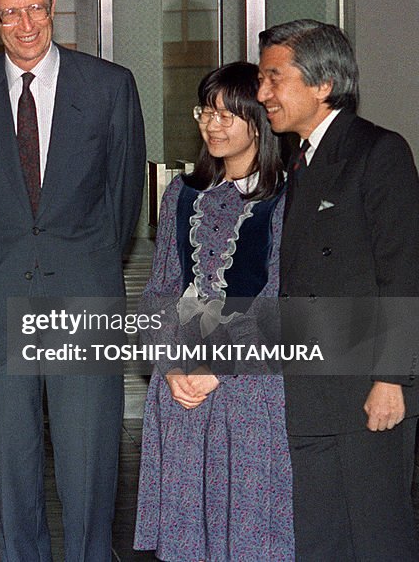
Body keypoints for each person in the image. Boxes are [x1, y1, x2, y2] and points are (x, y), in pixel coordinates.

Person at [0, 0, 145, 561]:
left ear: (54, 4)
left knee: (89, 475)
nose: (25, 26)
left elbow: (123, 201)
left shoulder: (110, 87)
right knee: (13, 473)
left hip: (83, 300)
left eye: (36, 9)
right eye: (9, 14)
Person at [257, 19, 419, 560]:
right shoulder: (298, 159)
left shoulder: (379, 152)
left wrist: (390, 378)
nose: (264, 94)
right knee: (318, 541)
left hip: (365, 391)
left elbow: (403, 273)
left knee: (376, 538)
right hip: (308, 390)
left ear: (322, 85)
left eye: (274, 78)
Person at [134, 62, 293, 561]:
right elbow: (162, 288)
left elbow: (280, 296)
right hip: (181, 381)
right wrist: (171, 363)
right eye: (207, 111)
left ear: (259, 120)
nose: (213, 124)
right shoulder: (181, 194)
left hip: (249, 384)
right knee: (185, 518)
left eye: (228, 114)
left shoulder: (287, 197)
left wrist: (216, 368)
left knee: (249, 520)